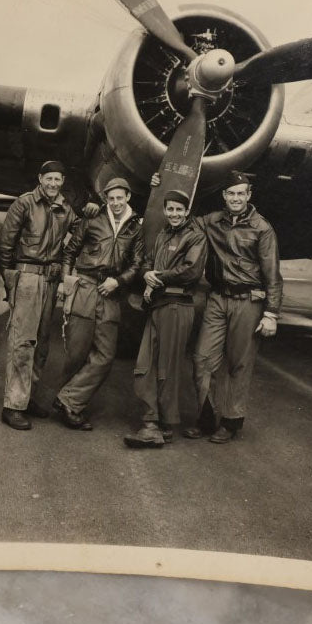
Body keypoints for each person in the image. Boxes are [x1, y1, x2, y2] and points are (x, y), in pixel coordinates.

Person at [190, 171, 282, 442]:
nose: (236, 198)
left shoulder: (262, 228)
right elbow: (182, 219)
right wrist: (161, 185)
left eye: (241, 194)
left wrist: (271, 313)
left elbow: (273, 275)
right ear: (224, 196)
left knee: (239, 363)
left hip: (248, 300)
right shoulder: (211, 222)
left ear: (249, 196)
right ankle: (207, 417)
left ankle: (230, 422)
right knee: (202, 358)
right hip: (218, 297)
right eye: (231, 194)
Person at [53, 177, 143, 430]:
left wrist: (119, 281)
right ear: (105, 199)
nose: (115, 202)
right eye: (110, 198)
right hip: (85, 285)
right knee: (77, 351)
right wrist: (65, 282)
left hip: (111, 291)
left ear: (128, 197)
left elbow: (136, 263)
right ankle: (71, 406)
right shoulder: (92, 219)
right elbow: (70, 251)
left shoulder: (136, 227)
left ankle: (67, 400)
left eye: (119, 198)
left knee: (105, 356)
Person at [0, 161, 78, 430]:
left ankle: (26, 397)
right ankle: (13, 406)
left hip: (51, 279)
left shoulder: (66, 208)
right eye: (49, 178)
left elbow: (80, 231)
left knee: (42, 342)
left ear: (63, 180)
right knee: (23, 341)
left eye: (58, 179)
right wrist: (11, 280)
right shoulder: (24, 203)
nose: (53, 184)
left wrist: (90, 211)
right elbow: (4, 244)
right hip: (27, 276)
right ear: (40, 178)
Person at [124, 189, 208, 449]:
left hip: (177, 305)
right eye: (169, 209)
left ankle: (162, 424)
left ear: (187, 211)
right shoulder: (162, 234)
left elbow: (191, 270)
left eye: (178, 210)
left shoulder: (195, 237)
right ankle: (154, 421)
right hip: (158, 304)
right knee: (146, 364)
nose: (173, 214)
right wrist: (147, 273)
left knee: (167, 368)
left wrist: (156, 277)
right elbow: (149, 260)